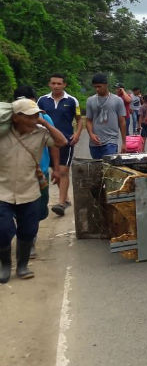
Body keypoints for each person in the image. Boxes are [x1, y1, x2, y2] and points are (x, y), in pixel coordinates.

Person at [0, 99, 67, 283]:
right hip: (3, 191)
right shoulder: (2, 135)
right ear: (16, 118)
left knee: (28, 230)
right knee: (3, 230)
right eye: (31, 116)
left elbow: (61, 141)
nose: (35, 119)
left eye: (37, 115)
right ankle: (5, 265)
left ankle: (22, 265)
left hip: (30, 190)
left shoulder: (41, 133)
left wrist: (44, 122)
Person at [14, 86, 61, 257]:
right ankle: (28, 241)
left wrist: (56, 168)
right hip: (16, 175)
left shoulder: (44, 118)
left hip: (40, 173)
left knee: (38, 210)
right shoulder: (8, 123)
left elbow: (55, 144)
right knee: (20, 209)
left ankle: (28, 237)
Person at [37, 73, 83, 216]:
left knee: (63, 171)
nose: (56, 86)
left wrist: (77, 134)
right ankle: (66, 198)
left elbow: (79, 119)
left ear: (64, 85)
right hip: (47, 141)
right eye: (53, 83)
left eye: (59, 83)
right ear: (49, 84)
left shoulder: (72, 101)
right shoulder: (42, 100)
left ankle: (61, 203)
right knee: (54, 170)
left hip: (66, 141)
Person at [85, 73, 127, 159]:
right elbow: (88, 120)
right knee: (97, 168)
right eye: (95, 87)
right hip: (95, 142)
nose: (97, 89)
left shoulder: (117, 100)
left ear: (106, 85)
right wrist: (91, 134)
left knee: (108, 167)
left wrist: (124, 143)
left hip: (111, 141)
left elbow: (122, 122)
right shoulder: (90, 100)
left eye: (99, 86)